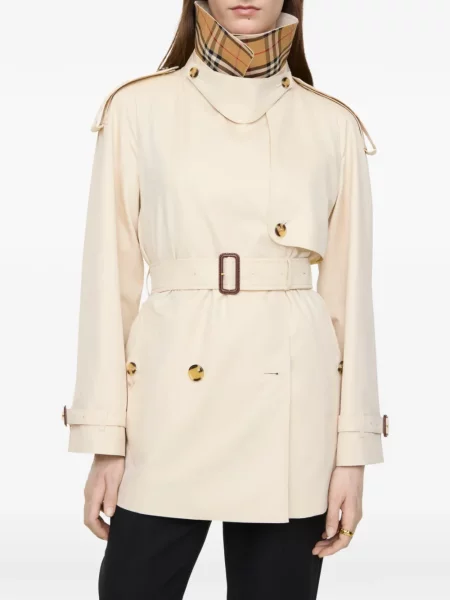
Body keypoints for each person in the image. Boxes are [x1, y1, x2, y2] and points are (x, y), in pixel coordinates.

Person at [63, 1, 389, 598]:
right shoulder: (137, 109)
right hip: (167, 402)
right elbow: (109, 285)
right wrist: (105, 442)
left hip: (292, 410)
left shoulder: (332, 124)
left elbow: (350, 301)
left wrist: (352, 455)